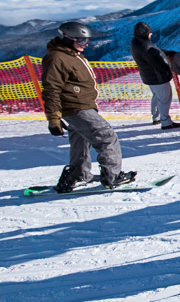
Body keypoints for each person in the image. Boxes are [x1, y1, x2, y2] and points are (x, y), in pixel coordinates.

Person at [41, 22, 136, 191]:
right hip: (76, 108)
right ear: (67, 39)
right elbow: (51, 89)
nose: (86, 44)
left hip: (82, 106)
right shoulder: (57, 58)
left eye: (87, 40)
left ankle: (79, 175)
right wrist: (53, 117)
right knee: (106, 136)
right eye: (81, 40)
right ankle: (112, 176)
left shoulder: (73, 54)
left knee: (81, 141)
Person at [130, 21, 180, 129]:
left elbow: (155, 51)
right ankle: (166, 122)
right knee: (164, 99)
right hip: (158, 78)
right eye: (149, 32)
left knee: (156, 97)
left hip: (149, 77)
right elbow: (158, 62)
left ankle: (156, 118)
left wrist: (165, 52)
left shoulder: (136, 43)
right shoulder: (146, 47)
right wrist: (168, 71)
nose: (151, 34)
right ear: (144, 33)